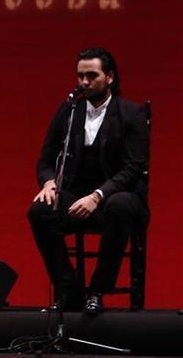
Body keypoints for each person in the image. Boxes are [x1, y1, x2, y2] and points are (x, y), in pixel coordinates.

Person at [27, 47, 149, 314]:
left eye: (91, 75)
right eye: (80, 76)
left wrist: (97, 196)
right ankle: (68, 289)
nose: (84, 82)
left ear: (109, 78)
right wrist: (48, 183)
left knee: (119, 206)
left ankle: (96, 290)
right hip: (77, 196)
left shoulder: (131, 114)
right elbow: (45, 160)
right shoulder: (68, 112)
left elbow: (133, 168)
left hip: (118, 198)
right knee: (39, 212)